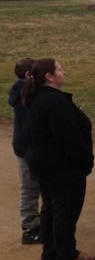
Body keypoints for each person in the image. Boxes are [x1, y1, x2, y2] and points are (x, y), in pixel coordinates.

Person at [22, 58, 95, 260]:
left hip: (44, 162)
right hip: (62, 166)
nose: (63, 72)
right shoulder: (54, 102)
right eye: (60, 70)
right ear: (49, 76)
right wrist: (85, 160)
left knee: (51, 208)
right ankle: (66, 256)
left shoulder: (37, 97)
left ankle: (50, 252)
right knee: (65, 211)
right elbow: (68, 136)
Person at [8, 57, 42, 245]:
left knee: (33, 186)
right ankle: (29, 228)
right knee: (29, 188)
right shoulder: (26, 93)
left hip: (27, 147)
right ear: (28, 75)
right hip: (26, 148)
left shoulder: (24, 90)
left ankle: (38, 221)